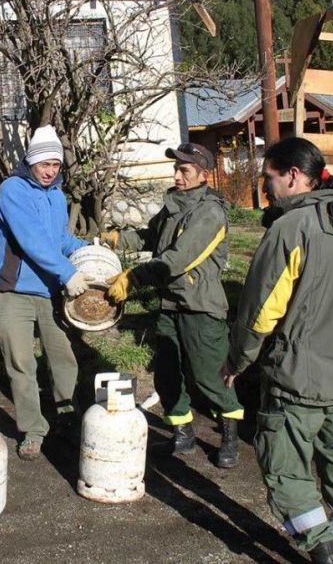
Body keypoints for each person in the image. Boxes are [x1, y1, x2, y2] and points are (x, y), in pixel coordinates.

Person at [221, 137, 333, 564]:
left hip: (299, 380)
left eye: (269, 177)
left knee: (287, 470)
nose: (266, 187)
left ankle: (322, 553)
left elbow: (260, 312)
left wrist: (237, 361)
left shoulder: (291, 229)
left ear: (293, 176)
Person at [103, 142, 244, 468]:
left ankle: (230, 436)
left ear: (203, 175)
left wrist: (135, 276)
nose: (177, 176)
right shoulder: (173, 206)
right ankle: (183, 432)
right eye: (176, 169)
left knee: (210, 377)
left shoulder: (209, 213)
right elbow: (149, 237)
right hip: (170, 305)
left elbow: (178, 259)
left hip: (200, 307)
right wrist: (115, 238)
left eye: (184, 170)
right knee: (167, 373)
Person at [0, 124, 89, 461]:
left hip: (50, 290)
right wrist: (68, 271)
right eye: (44, 164)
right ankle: (33, 430)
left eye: (56, 165)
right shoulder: (12, 190)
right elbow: (30, 240)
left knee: (63, 359)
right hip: (14, 290)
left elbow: (58, 239)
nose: (50, 171)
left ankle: (68, 420)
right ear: (31, 161)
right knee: (20, 363)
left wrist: (88, 252)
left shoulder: (57, 196)